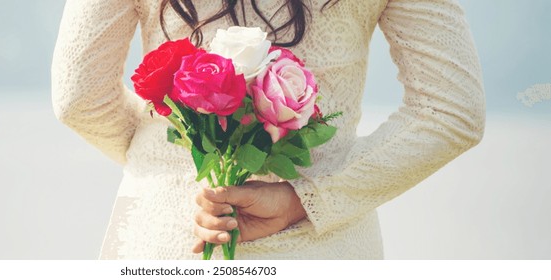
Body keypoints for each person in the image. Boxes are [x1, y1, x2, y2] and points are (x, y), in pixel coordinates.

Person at [51, 0, 485, 259]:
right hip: (322, 250)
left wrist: (172, 162)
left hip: (159, 242)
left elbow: (78, 97)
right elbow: (450, 110)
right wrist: (305, 200)